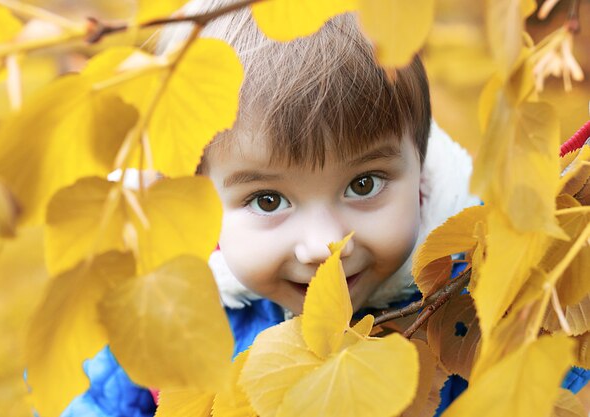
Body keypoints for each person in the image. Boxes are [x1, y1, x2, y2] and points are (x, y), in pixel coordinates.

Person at [62, 2, 588, 416]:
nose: (324, 246)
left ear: (421, 169)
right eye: (268, 200)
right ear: (201, 198)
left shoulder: (477, 299)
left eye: (363, 184)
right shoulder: (171, 320)